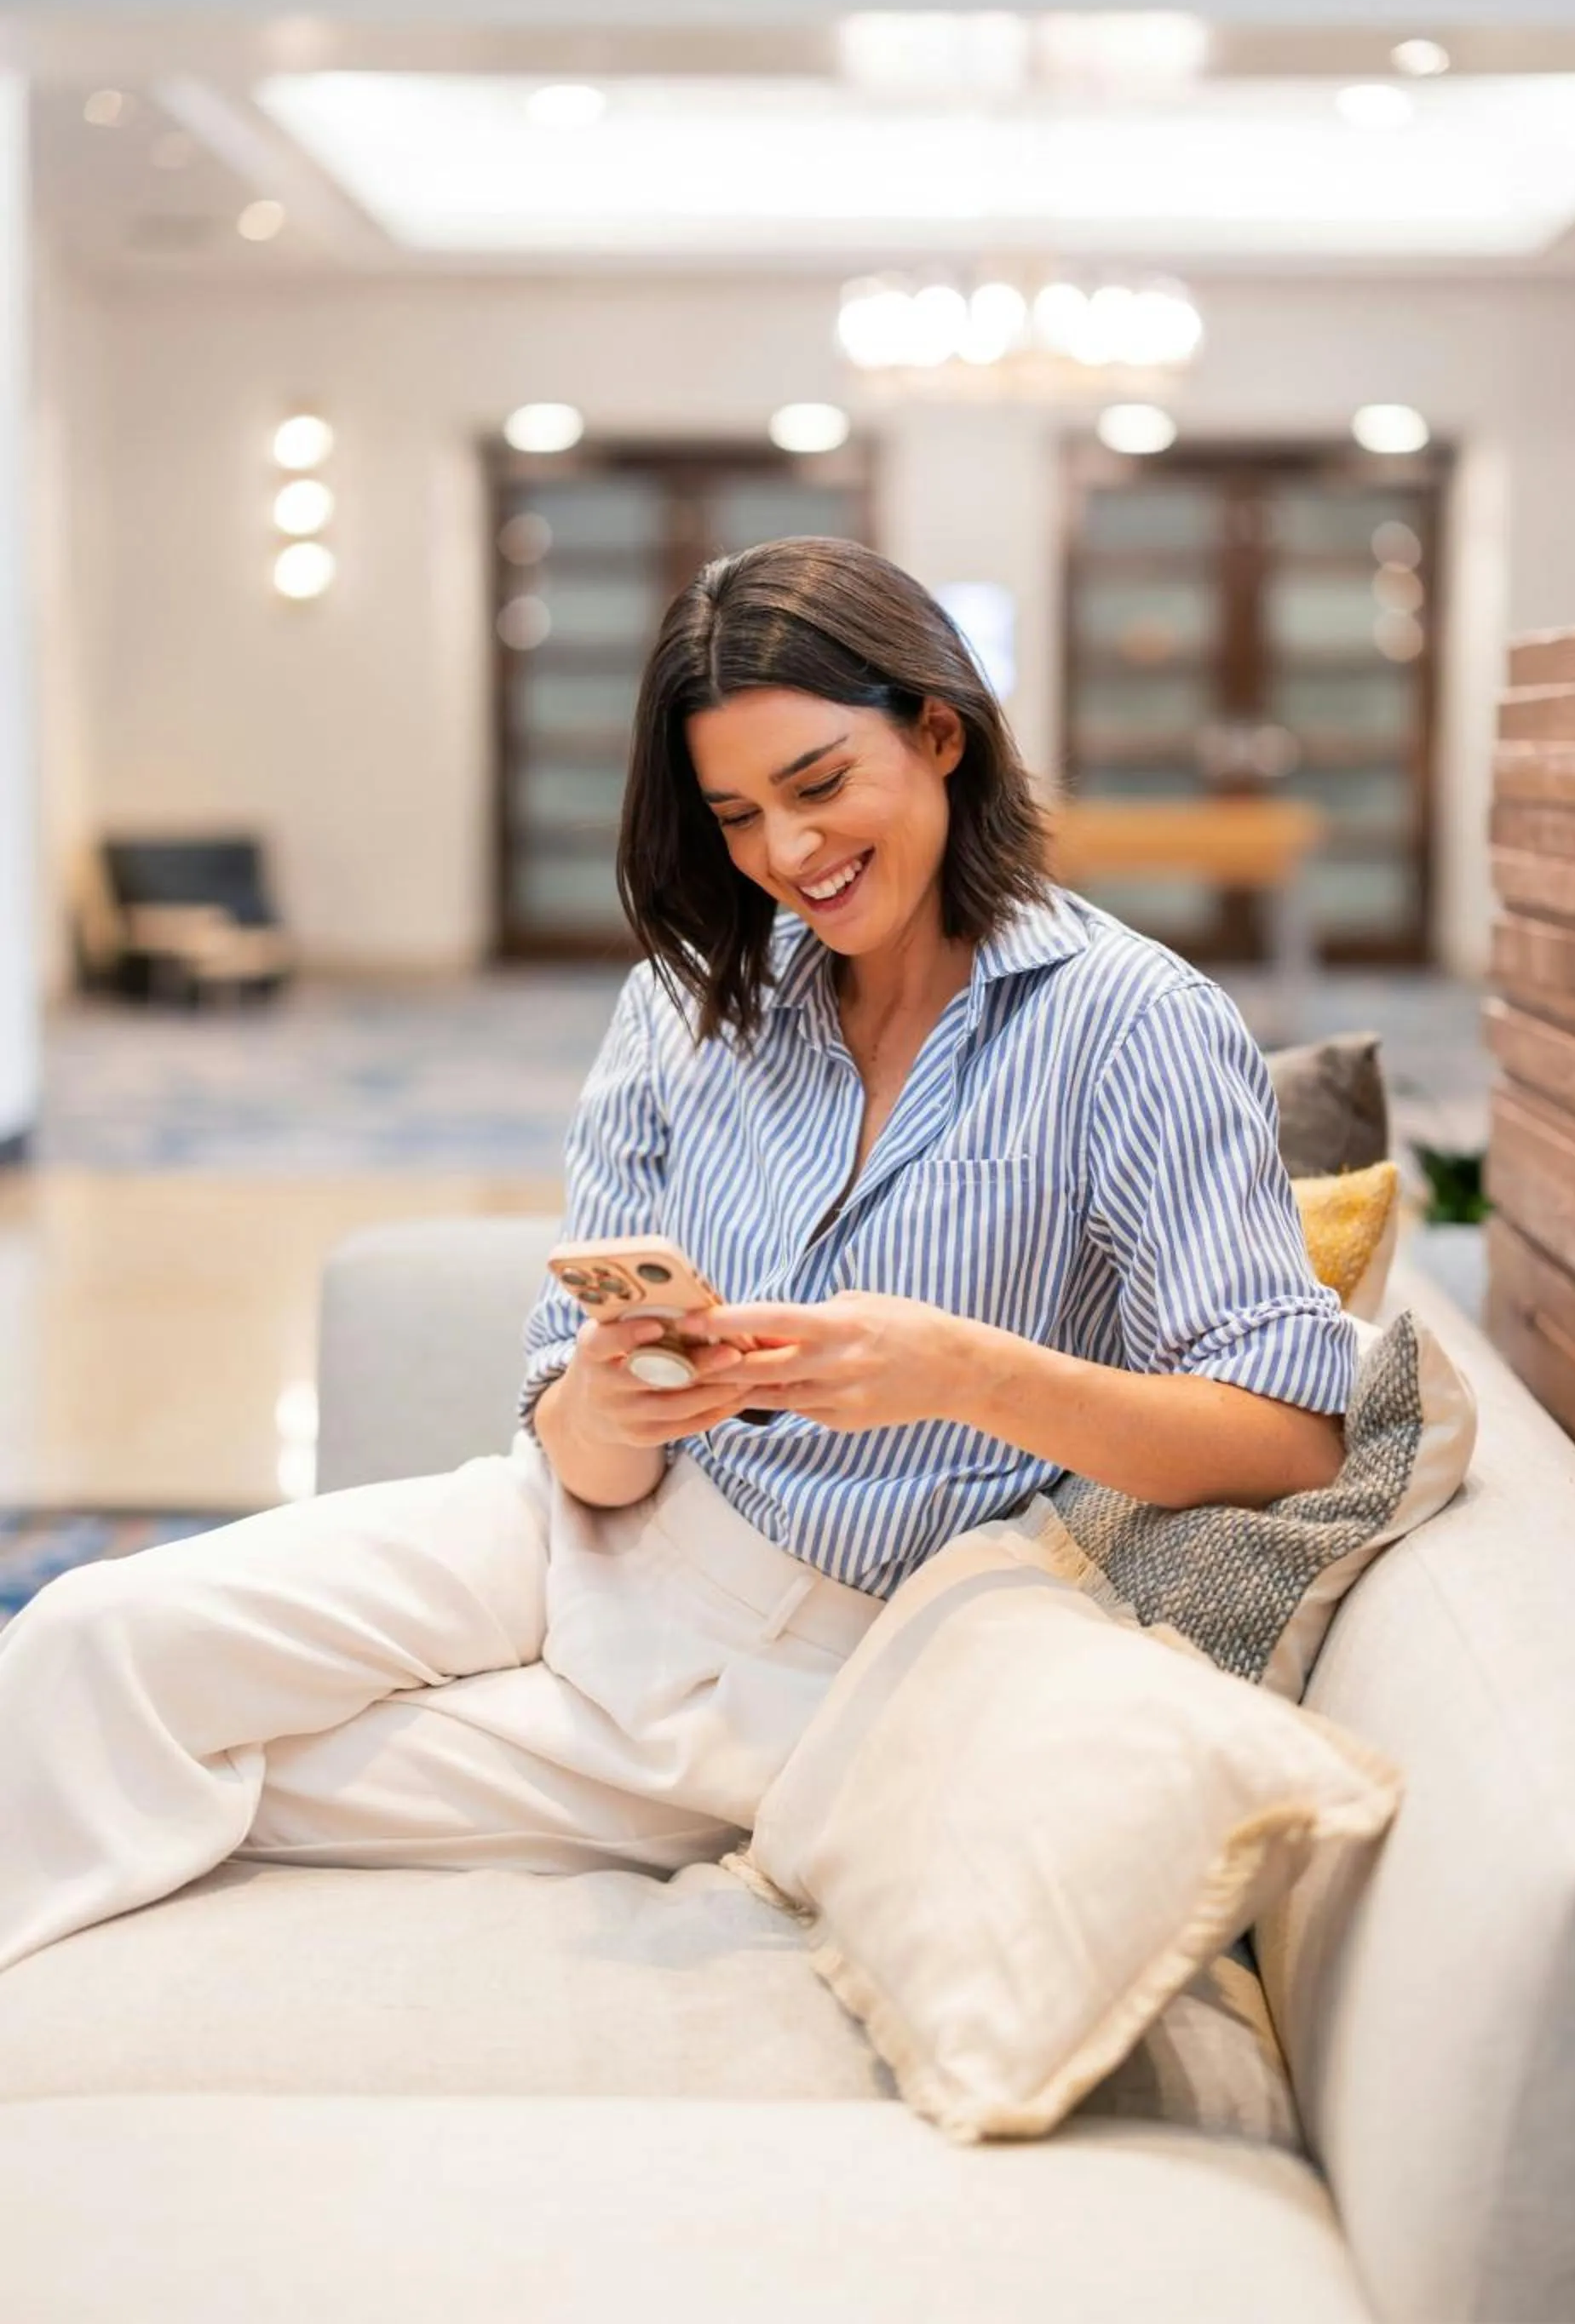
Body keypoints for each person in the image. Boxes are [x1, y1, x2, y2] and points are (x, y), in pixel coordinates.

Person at [0, 537, 1357, 1978]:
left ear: (941, 734)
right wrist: (605, 1406)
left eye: (821, 785)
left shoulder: (1137, 1025)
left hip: (814, 1659)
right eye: (736, 815)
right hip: (562, 1532)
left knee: (252, 1783)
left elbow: (1289, 1437)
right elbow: (574, 1443)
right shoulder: (685, 1004)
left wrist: (957, 1371)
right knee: (93, 1643)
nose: (786, 855)